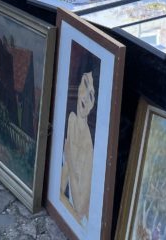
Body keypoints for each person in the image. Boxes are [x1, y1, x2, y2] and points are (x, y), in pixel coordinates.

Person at [59, 52, 98, 225]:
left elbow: (81, 212)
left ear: (93, 104)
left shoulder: (90, 146)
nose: (85, 98)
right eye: (85, 84)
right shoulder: (72, 121)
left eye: (91, 95)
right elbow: (59, 189)